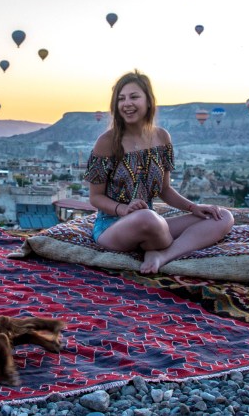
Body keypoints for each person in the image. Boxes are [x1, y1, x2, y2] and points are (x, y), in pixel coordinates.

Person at [84, 70, 234, 274]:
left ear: (148, 101)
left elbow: (164, 189)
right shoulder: (106, 142)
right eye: (121, 99)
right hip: (113, 226)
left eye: (134, 96)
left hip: (153, 224)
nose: (126, 103)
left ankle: (162, 255)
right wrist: (124, 209)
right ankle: (160, 245)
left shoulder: (162, 138)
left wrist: (193, 207)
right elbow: (96, 197)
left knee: (222, 216)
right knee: (148, 218)